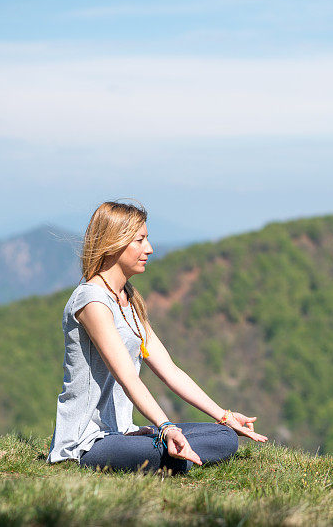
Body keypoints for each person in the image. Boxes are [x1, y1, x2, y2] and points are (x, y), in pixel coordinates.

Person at [46, 200, 267, 474]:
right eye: (140, 240)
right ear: (114, 243)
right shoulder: (92, 301)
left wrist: (225, 415)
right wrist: (166, 428)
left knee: (223, 436)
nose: (149, 249)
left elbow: (170, 370)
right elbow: (127, 377)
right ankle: (168, 458)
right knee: (182, 444)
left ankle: (169, 457)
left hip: (124, 432)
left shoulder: (128, 298)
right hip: (88, 443)